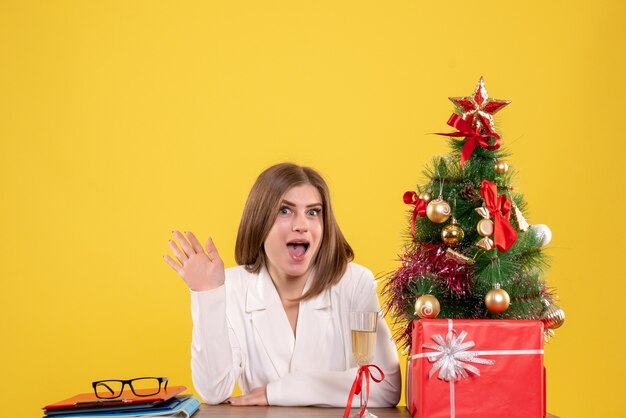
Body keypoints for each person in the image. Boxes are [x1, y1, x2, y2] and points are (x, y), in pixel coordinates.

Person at [164, 163, 401, 407]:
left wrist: (282, 391)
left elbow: (385, 386)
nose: (302, 225)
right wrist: (208, 295)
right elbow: (213, 391)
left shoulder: (355, 283)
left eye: (313, 212)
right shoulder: (231, 287)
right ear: (259, 221)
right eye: (285, 211)